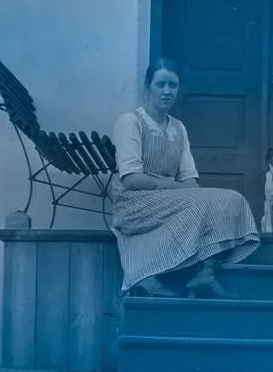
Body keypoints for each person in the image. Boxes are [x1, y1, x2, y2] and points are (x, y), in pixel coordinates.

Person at [109, 58, 260, 298]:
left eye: (173, 85)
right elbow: (131, 180)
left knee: (231, 199)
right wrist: (170, 186)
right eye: (160, 84)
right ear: (148, 87)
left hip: (170, 198)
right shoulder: (131, 122)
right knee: (204, 202)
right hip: (134, 203)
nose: (167, 91)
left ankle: (205, 272)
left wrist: (181, 189)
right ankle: (148, 273)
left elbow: (190, 180)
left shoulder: (178, 128)